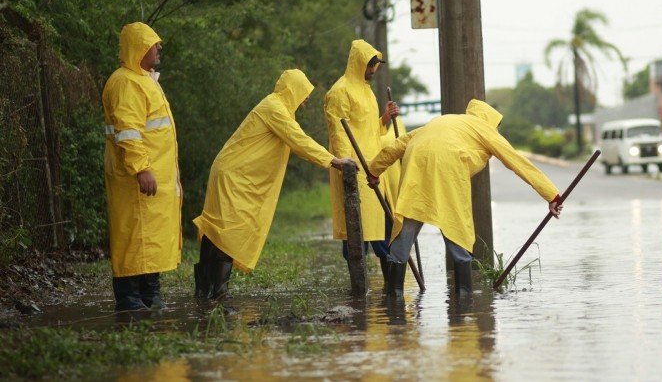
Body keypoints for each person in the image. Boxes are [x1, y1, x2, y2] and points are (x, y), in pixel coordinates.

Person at [193, 69, 356, 307]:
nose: (306, 100)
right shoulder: (274, 108)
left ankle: (205, 294)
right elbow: (300, 141)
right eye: (304, 93)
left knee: (218, 231)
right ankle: (217, 294)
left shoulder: (279, 109)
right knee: (227, 232)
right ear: (293, 90)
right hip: (234, 176)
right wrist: (334, 160)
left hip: (236, 175)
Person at [368, 99, 563, 297]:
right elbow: (515, 159)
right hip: (449, 167)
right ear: (490, 121)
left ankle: (394, 300)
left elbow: (398, 145)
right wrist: (551, 194)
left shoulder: (443, 121)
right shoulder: (484, 129)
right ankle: (463, 302)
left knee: (408, 222)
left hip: (416, 163)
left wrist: (374, 170)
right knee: (456, 225)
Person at [102, 22, 182, 311]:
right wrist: (142, 169)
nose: (159, 47)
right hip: (137, 178)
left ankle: (150, 294)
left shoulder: (145, 80)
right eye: (153, 43)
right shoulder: (126, 82)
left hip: (152, 177)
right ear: (138, 48)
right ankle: (129, 297)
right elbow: (128, 131)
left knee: (151, 236)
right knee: (134, 235)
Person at [324, 40, 400, 283]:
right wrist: (347, 164)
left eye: (376, 65)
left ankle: (391, 290)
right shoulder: (339, 91)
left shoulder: (366, 91)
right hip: (354, 168)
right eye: (370, 64)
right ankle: (359, 289)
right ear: (358, 62)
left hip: (374, 167)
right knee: (358, 230)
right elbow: (338, 132)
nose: (373, 69)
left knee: (382, 229)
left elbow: (367, 132)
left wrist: (385, 118)